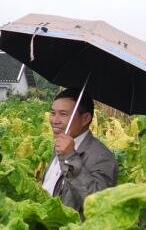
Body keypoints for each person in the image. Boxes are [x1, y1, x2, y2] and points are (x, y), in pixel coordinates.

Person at [42, 88, 118, 219]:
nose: (55, 120)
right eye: (53, 113)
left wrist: (70, 157)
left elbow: (97, 204)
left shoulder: (103, 158)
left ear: (85, 119)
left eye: (63, 114)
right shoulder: (61, 146)